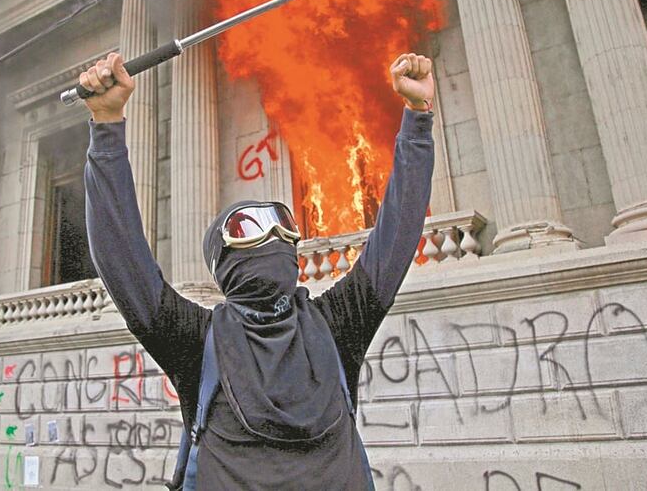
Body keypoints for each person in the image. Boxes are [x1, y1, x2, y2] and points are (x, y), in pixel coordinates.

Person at [83, 51, 435, 490]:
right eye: (247, 226)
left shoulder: (337, 323)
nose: (272, 235)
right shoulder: (194, 340)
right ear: (221, 261)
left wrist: (417, 116)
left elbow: (397, 236)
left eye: (283, 224)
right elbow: (122, 259)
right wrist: (106, 126)